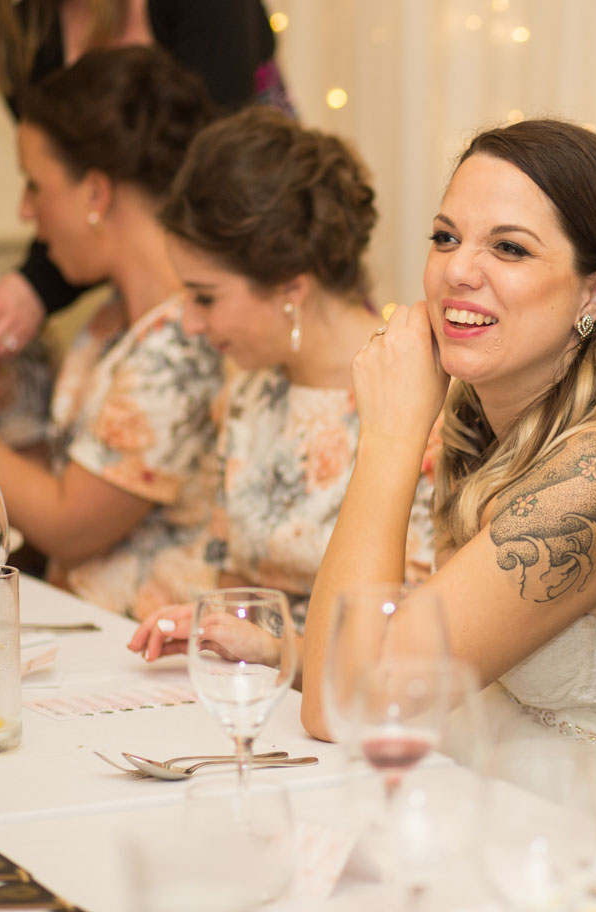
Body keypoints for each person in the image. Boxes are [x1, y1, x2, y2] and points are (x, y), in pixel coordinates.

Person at [299, 119, 596, 753]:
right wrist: (284, 649)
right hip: (503, 799)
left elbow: (350, 707)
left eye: (510, 249)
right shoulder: (498, 433)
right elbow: (419, 651)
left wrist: (389, 436)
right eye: (446, 238)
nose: (458, 271)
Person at [121, 106, 435, 643]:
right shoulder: (249, 391)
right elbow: (234, 592)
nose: (190, 324)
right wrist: (210, 634)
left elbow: (415, 637)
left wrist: (274, 654)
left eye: (205, 297)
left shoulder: (420, 394)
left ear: (291, 287)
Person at [0, 0, 292, 364]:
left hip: (270, 276)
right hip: (160, 305)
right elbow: (76, 199)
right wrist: (31, 287)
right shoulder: (24, 39)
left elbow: (215, 167)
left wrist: (37, 284)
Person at [0, 45, 222, 617]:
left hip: (156, 657)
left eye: (36, 185)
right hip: (81, 631)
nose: (28, 212)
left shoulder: (185, 337)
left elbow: (69, 526)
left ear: (97, 193)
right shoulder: (108, 320)